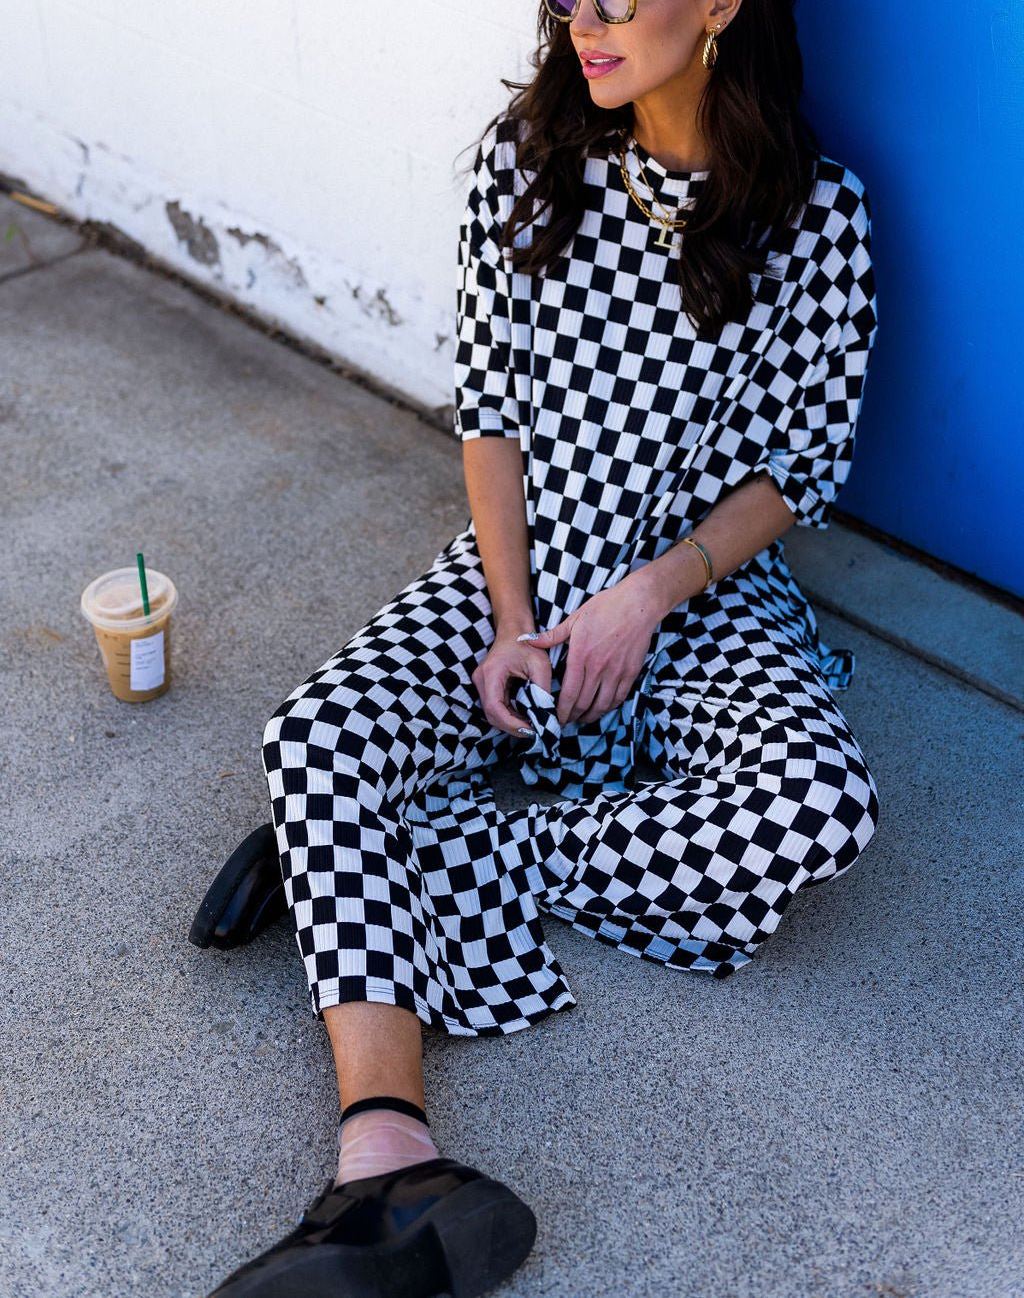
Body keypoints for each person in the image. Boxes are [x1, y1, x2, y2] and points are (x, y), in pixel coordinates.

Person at [207, 0, 880, 1294]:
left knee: (819, 806)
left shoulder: (821, 214)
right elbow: (491, 418)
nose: (588, 23)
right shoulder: (523, 163)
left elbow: (800, 468)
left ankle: (395, 853)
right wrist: (513, 616)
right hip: (516, 568)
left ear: (725, 4)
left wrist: (647, 594)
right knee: (314, 736)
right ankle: (385, 1157)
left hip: (696, 601)